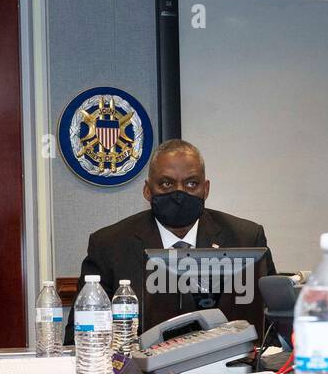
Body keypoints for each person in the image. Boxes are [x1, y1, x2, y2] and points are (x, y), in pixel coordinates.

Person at [66, 139, 277, 341]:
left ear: (206, 189)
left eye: (191, 183)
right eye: (166, 184)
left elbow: (273, 331)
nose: (179, 193)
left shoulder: (245, 238)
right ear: (148, 190)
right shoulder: (109, 245)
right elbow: (79, 336)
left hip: (230, 371)